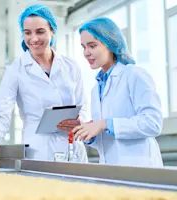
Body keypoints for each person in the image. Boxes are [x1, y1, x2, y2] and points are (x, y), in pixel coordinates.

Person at [0, 4, 90, 162]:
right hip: (39, 151)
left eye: (40, 31)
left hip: (73, 147)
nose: (34, 39)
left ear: (52, 31)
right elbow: (1, 114)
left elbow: (83, 105)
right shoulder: (16, 70)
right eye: (27, 33)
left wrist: (81, 122)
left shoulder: (70, 66)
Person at [59, 17, 163, 167]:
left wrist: (104, 124)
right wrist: (87, 132)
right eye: (83, 47)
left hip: (140, 167)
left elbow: (153, 123)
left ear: (110, 44)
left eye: (92, 46)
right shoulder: (97, 88)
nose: (86, 53)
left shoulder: (134, 75)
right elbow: (108, 142)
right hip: (110, 169)